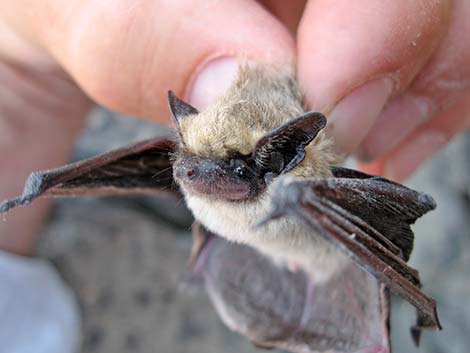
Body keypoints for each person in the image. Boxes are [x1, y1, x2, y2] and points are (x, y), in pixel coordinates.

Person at [0, 1, 468, 351]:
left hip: (315, 249)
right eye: (189, 157)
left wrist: (22, 80)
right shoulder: (205, 174)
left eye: (236, 167)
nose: (197, 175)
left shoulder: (307, 192)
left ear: (284, 157)